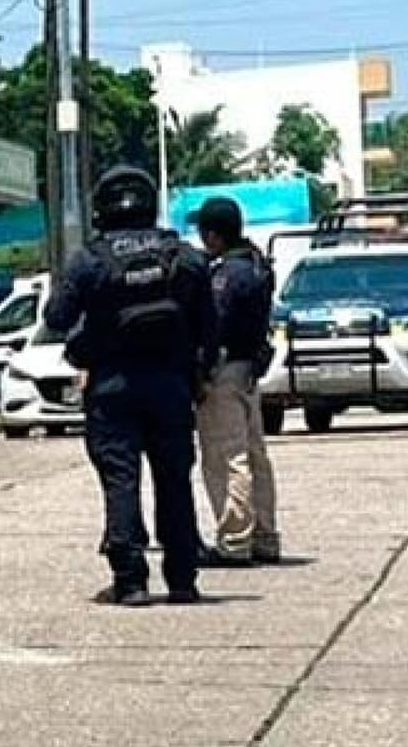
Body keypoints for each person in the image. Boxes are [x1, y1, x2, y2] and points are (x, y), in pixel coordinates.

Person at [44, 166, 217, 606]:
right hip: (171, 386)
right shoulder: (185, 256)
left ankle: (130, 579)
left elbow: (56, 318)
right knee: (174, 479)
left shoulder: (91, 259)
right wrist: (201, 375)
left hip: (112, 387)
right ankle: (182, 577)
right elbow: (209, 328)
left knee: (121, 480)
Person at [194, 198, 281, 566]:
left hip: (225, 371)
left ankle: (235, 540)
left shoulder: (226, 275)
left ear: (214, 235)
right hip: (249, 370)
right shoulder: (258, 266)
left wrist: (200, 369)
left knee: (226, 455)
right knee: (254, 454)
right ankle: (264, 534)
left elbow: (215, 325)